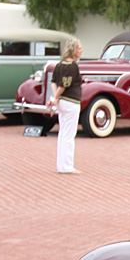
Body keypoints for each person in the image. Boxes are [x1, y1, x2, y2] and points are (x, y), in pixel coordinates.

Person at [50, 38, 83, 174]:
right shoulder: (72, 66)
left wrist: (55, 98)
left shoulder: (59, 65)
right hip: (71, 102)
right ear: (74, 51)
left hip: (63, 103)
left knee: (63, 133)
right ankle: (67, 166)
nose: (81, 51)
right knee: (69, 135)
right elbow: (65, 84)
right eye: (79, 48)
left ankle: (61, 165)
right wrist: (56, 97)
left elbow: (54, 82)